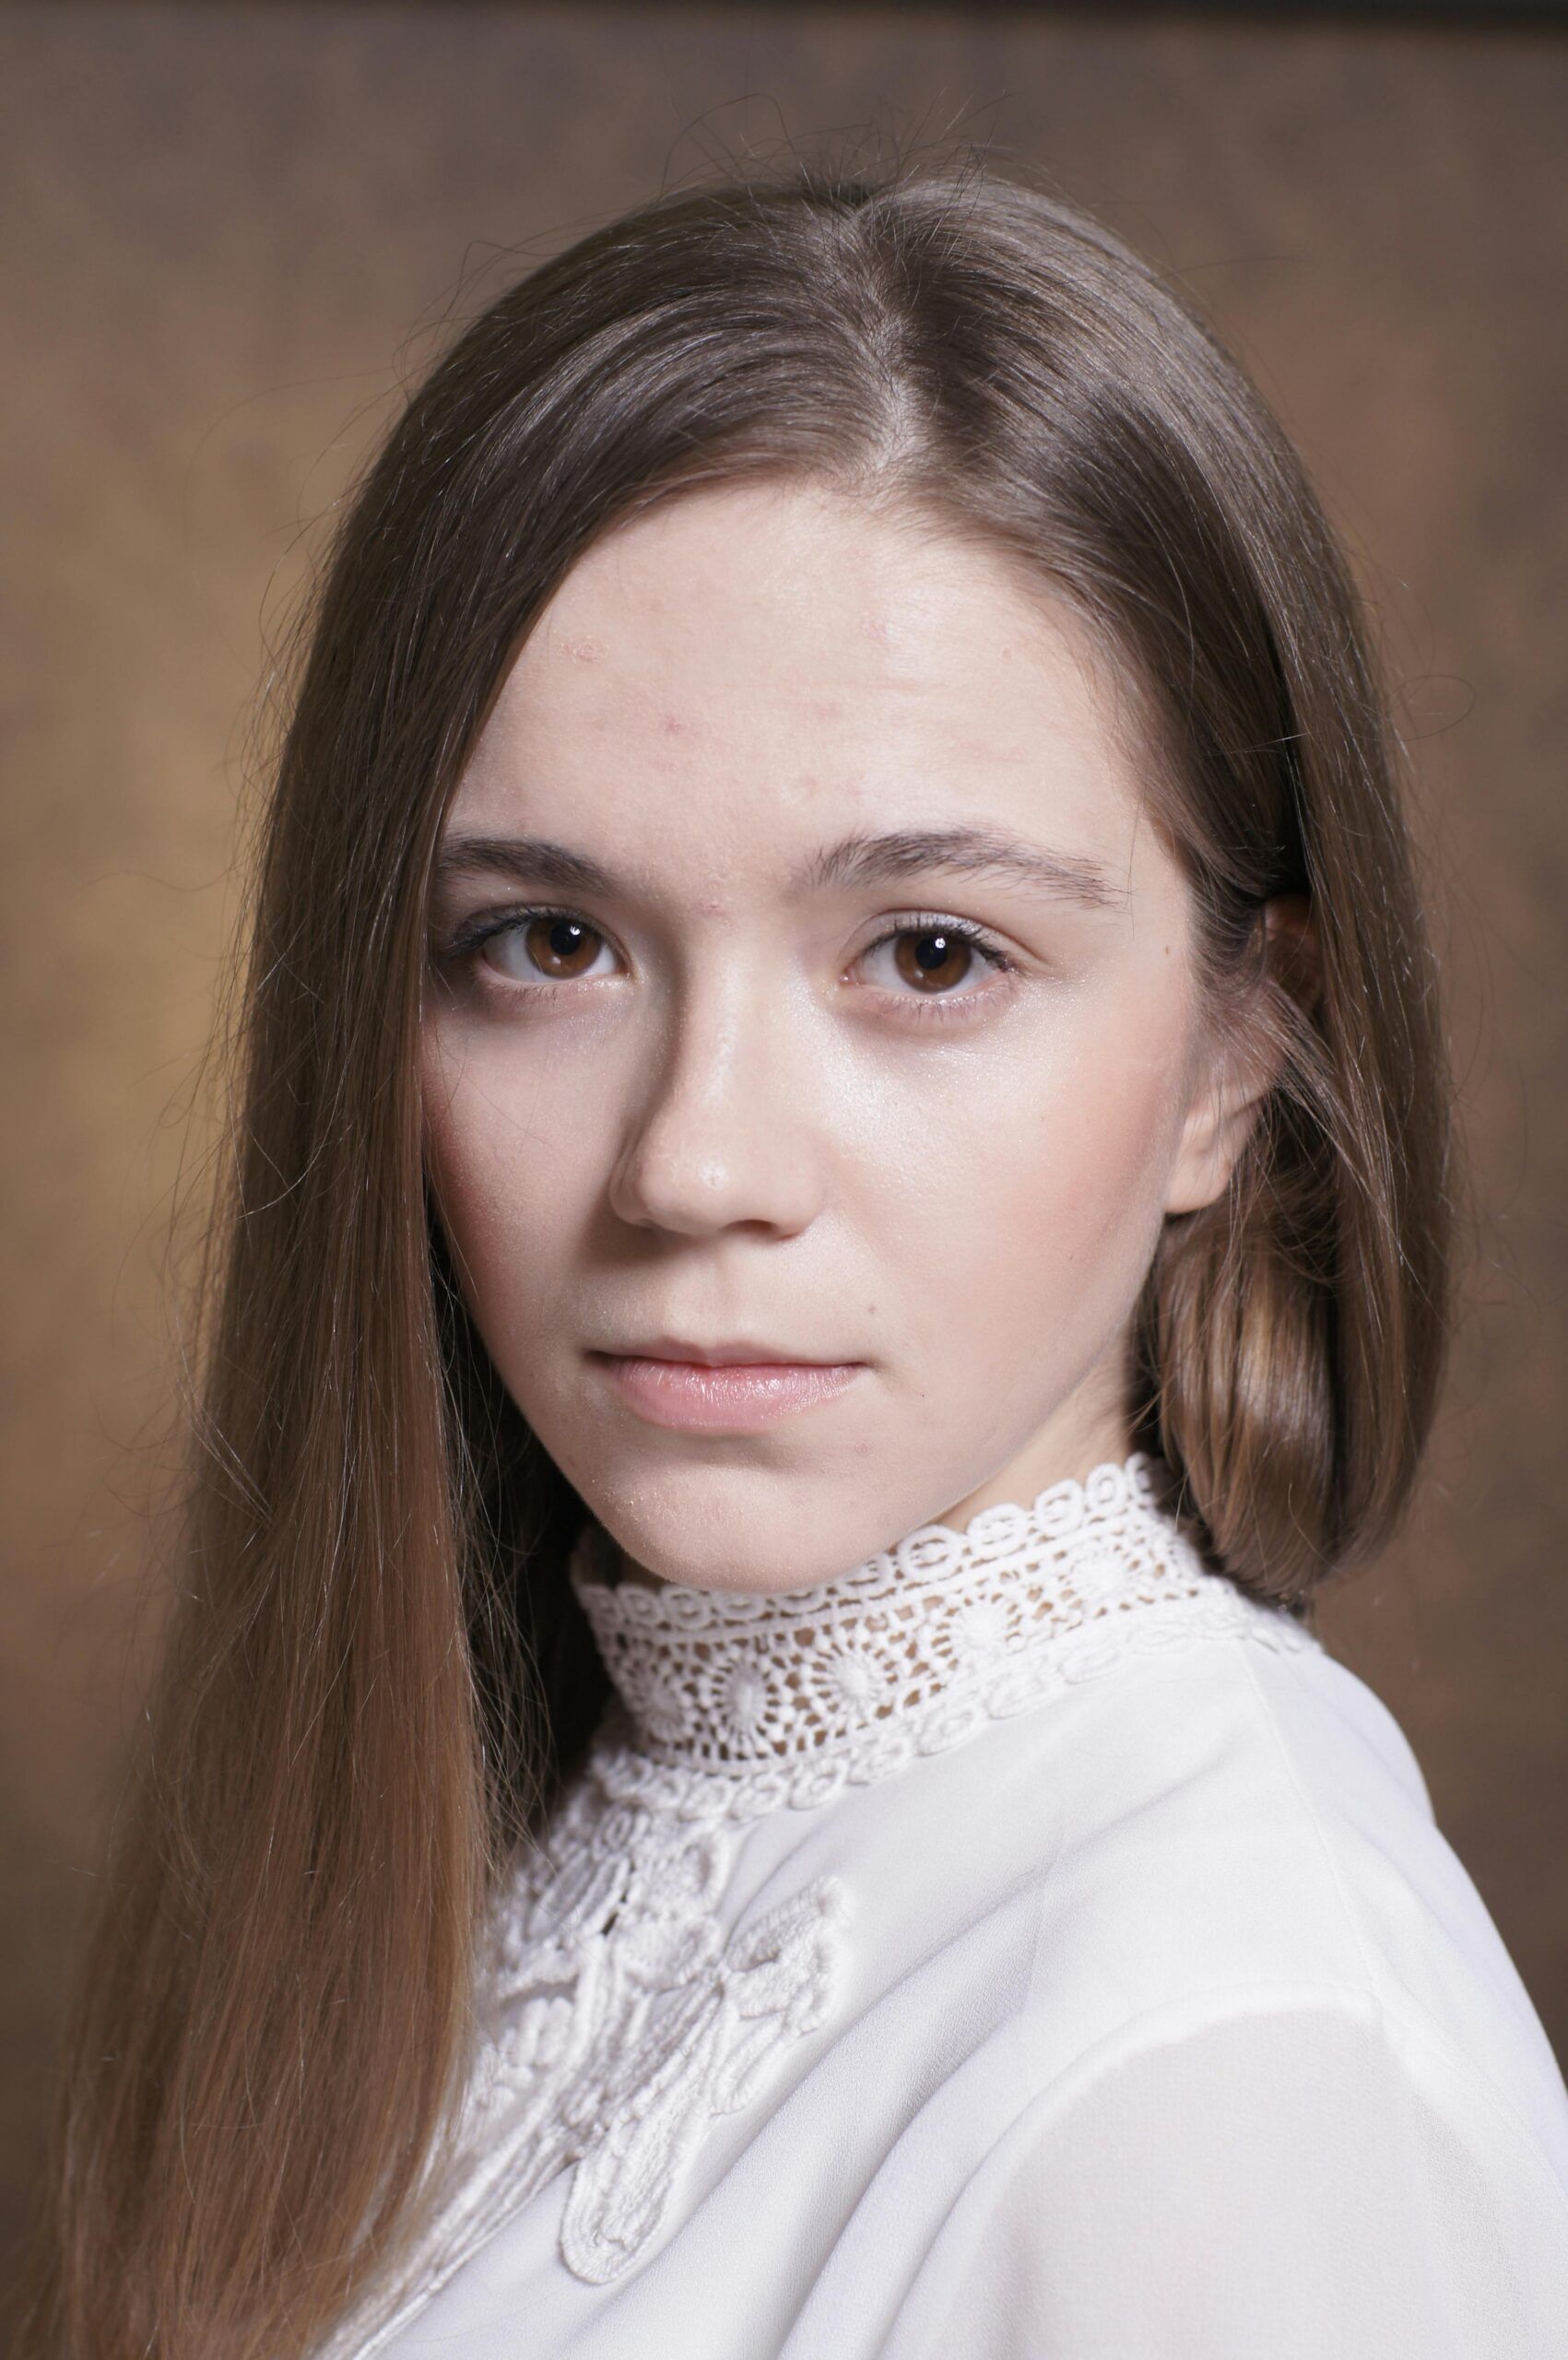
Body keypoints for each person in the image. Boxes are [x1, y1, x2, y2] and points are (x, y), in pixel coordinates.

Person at [16, 155, 1568, 2360]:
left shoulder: (1226, 2060)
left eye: (927, 952)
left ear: (1239, 1052)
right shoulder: (513, 1830)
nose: (696, 1159)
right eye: (545, 943)